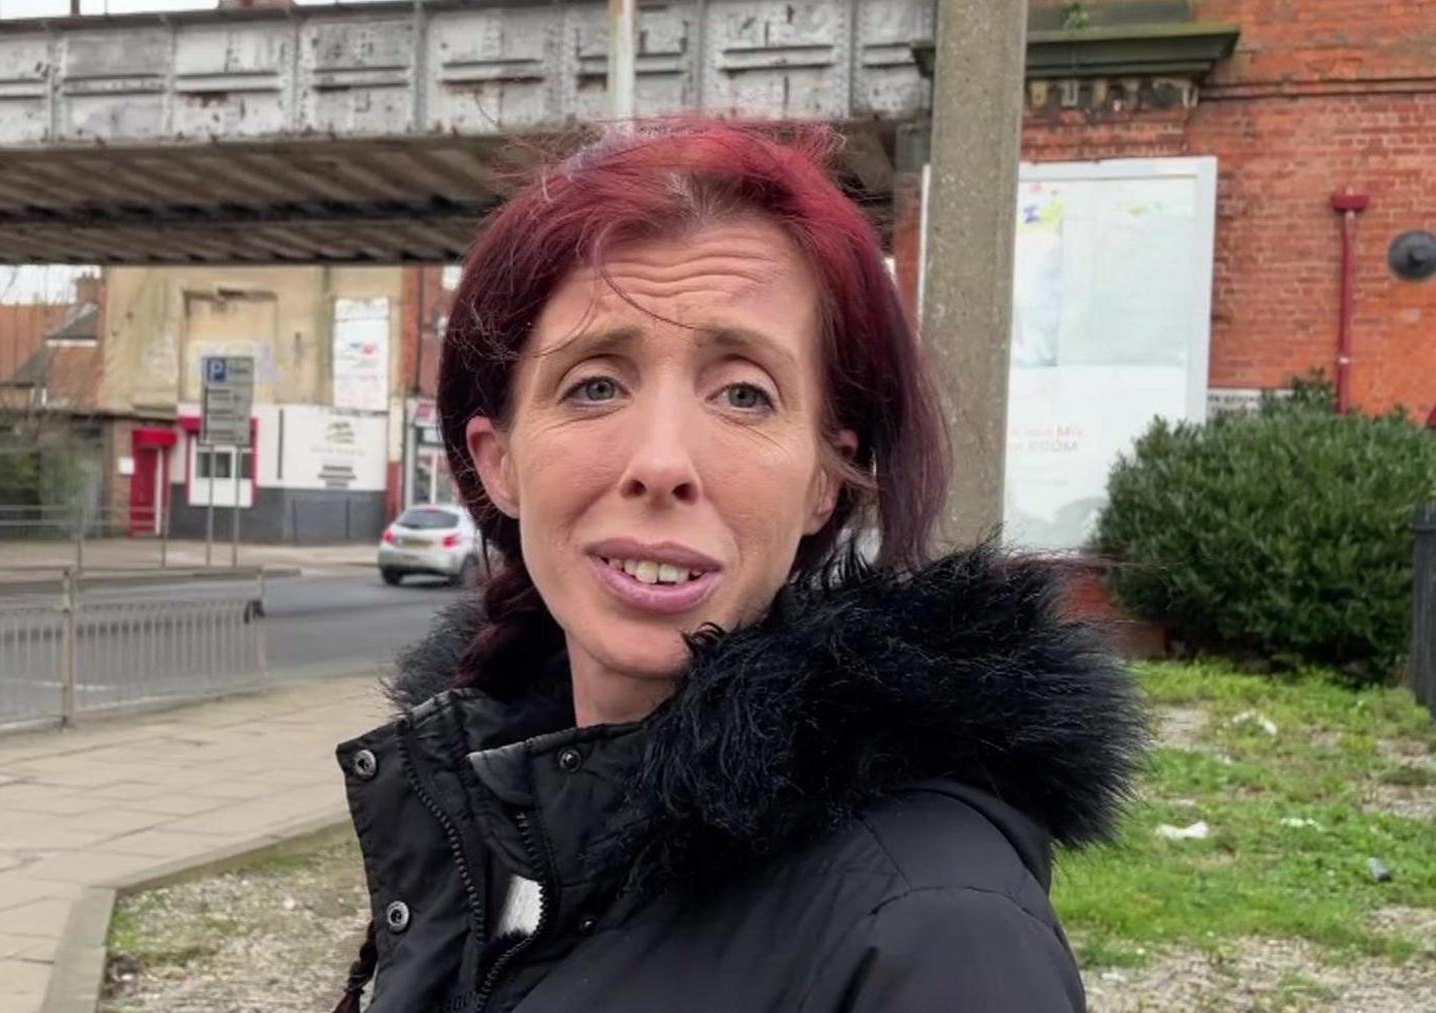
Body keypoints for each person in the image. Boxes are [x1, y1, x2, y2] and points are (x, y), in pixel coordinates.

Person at [331, 121, 1146, 1013]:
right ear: (499, 460)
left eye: (744, 392)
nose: (663, 461)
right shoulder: (488, 808)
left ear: (823, 483)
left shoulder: (932, 927)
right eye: (595, 383)